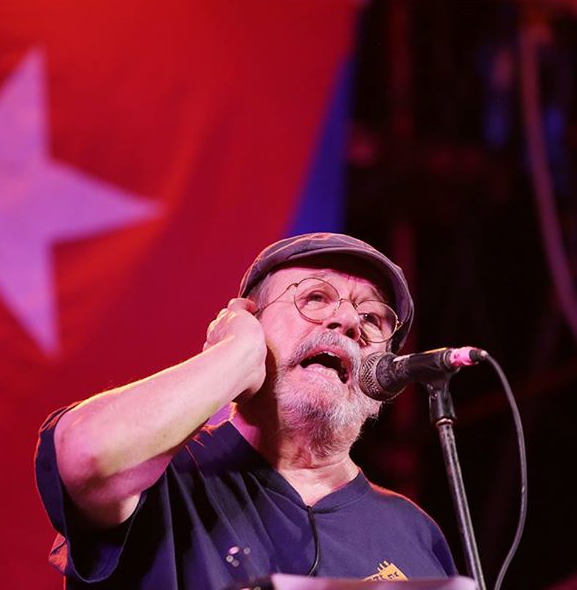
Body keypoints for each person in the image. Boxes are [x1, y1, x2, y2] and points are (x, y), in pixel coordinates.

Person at [35, 232, 457, 589]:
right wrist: (235, 352)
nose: (348, 321)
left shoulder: (415, 534)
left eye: (372, 318)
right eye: (315, 297)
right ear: (251, 324)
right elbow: (87, 454)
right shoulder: (163, 476)